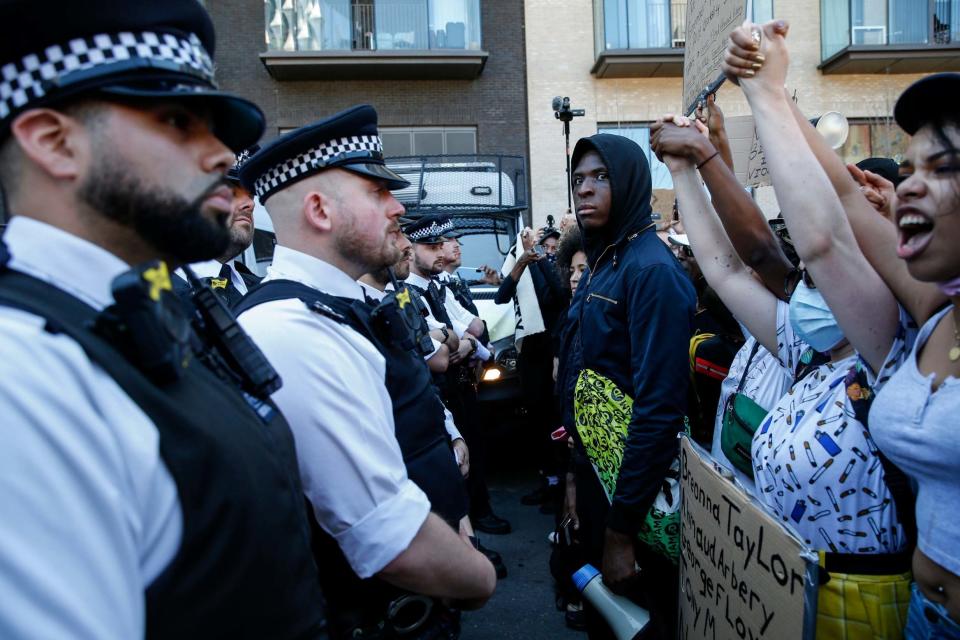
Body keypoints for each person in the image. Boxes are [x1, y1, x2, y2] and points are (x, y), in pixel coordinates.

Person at [0, 1, 327, 638]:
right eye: (178, 121)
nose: (221, 156)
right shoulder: (20, 377)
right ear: (54, 142)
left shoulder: (148, 310)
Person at [655, 19, 917, 638]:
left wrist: (763, 93)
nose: (812, 275)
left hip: (857, 613)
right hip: (774, 600)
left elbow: (825, 237)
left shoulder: (899, 355)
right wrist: (680, 172)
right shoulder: (811, 351)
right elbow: (722, 268)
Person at [234, 105, 496, 639]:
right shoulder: (292, 327)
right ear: (320, 211)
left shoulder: (343, 304)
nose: (398, 206)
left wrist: (454, 512)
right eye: (377, 193)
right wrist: (479, 576)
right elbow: (386, 536)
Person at [570, 132, 696, 640]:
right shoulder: (607, 259)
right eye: (578, 179)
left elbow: (659, 410)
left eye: (600, 177)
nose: (585, 190)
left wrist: (621, 533)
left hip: (637, 503)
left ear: (630, 182)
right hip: (600, 480)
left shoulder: (651, 271)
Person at [405, 215, 509, 536]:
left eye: (441, 244)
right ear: (410, 250)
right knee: (451, 468)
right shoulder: (408, 293)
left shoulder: (437, 287)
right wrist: (458, 342)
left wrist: (461, 343)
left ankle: (475, 521)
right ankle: (466, 536)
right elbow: (439, 356)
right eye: (431, 245)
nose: (440, 251)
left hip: (458, 384)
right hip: (438, 389)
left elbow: (473, 330)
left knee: (469, 453)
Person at [495, 224, 568, 510]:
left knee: (555, 421)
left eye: (552, 250)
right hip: (531, 355)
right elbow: (502, 296)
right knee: (536, 420)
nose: (547, 253)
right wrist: (524, 261)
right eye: (544, 247)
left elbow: (559, 295)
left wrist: (535, 257)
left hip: (553, 353)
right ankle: (546, 480)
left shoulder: (557, 272)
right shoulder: (527, 267)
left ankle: (560, 486)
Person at [174, 145, 262, 306]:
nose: (250, 204)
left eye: (251, 195)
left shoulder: (265, 292)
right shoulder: (156, 296)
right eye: (231, 192)